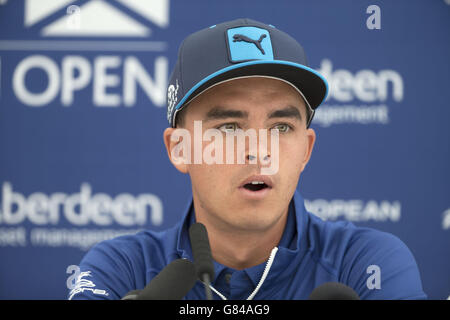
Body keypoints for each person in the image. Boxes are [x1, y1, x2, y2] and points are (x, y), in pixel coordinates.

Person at [68, 18, 427, 300]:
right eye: (229, 127)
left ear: (306, 149)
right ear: (179, 148)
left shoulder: (366, 263)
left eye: (282, 127)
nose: (259, 150)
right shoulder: (122, 268)